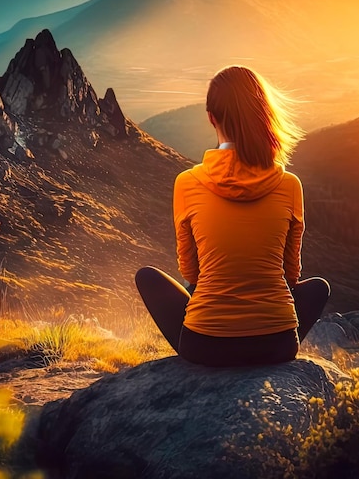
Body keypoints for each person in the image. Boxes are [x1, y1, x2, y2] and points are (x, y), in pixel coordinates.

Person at [135, 66, 330, 367]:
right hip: (277, 346)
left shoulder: (187, 182)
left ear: (211, 117)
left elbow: (191, 272)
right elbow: (291, 275)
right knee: (319, 287)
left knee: (147, 277)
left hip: (205, 347)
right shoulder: (290, 185)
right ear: (263, 115)